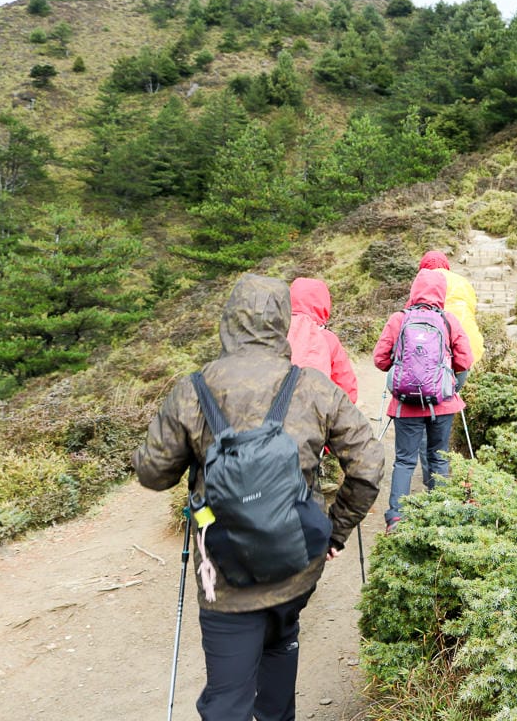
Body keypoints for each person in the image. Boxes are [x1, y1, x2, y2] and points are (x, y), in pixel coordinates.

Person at [133, 273, 384, 721]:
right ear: (282, 323)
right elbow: (367, 464)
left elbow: (153, 473)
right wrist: (333, 531)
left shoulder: (193, 390)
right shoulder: (314, 387)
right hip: (296, 564)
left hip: (223, 576)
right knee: (280, 651)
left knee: (227, 697)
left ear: (228, 322)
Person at [373, 269, 474, 533]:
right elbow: (465, 360)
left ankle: (396, 518)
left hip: (406, 405)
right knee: (439, 458)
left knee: (405, 460)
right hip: (443, 403)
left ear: (414, 290)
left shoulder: (399, 319)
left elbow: (379, 359)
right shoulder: (449, 321)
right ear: (442, 293)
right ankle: (439, 513)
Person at [287, 277, 357, 403]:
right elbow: (347, 389)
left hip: (271, 414)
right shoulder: (327, 338)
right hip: (312, 413)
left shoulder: (274, 330)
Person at [417, 250, 484, 365]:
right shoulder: (462, 281)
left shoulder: (423, 281)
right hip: (468, 346)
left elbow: (410, 314)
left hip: (430, 349)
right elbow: (471, 310)